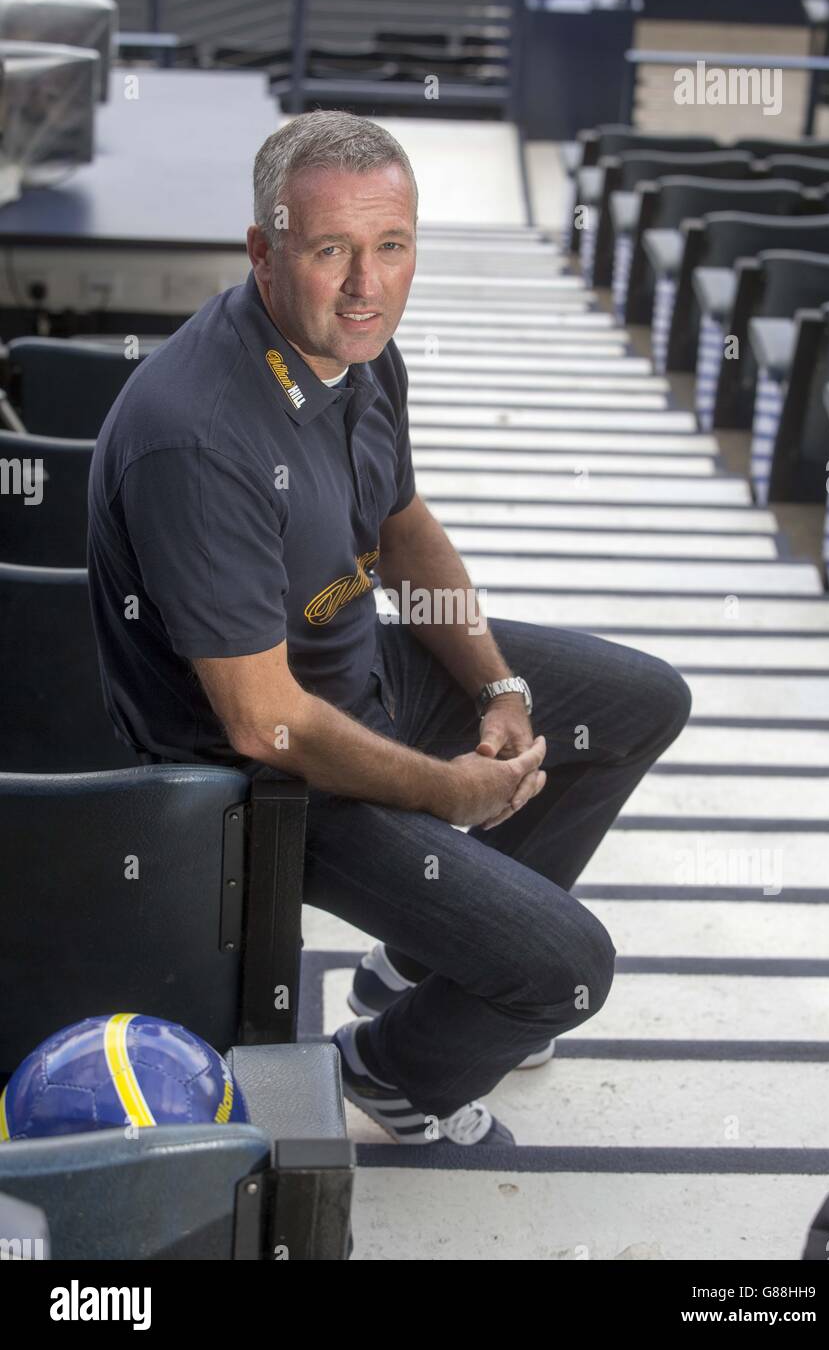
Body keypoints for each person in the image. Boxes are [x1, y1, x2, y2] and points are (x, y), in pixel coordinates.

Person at [87, 109, 692, 1147]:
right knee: (568, 971)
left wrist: (497, 685)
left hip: (356, 669)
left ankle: (417, 965)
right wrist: (450, 793)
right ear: (263, 254)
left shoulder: (357, 350)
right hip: (260, 779)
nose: (368, 285)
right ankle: (389, 1072)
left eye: (392, 247)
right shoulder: (200, 434)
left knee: (637, 702)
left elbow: (403, 530)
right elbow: (264, 724)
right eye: (331, 252)